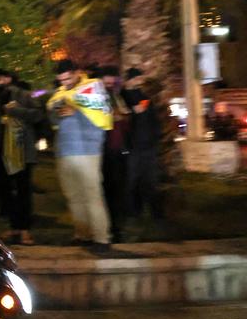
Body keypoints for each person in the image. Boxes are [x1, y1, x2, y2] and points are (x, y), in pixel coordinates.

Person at [47, 59, 113, 247]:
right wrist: (57, 111)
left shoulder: (93, 87)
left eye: (67, 78)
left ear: (77, 72)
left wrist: (75, 109)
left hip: (87, 150)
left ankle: (101, 239)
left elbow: (103, 115)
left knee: (92, 195)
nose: (64, 83)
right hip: (64, 151)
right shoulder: (59, 94)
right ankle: (83, 235)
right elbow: (53, 119)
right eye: (61, 80)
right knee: (73, 196)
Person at [0, 68, 44, 244]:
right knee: (5, 192)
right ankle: (13, 227)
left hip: (21, 151)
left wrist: (16, 111)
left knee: (23, 190)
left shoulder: (24, 95)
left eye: (1, 78)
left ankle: (25, 229)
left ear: (10, 79)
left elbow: (38, 115)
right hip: (0, 151)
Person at [120, 69, 164, 222]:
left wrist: (155, 137)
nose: (140, 81)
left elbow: (150, 117)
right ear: (130, 80)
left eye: (140, 78)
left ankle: (154, 212)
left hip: (148, 146)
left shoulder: (143, 96)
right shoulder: (122, 96)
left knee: (150, 180)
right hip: (132, 146)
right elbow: (128, 114)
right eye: (137, 78)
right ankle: (132, 211)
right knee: (131, 180)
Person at [99, 66, 131, 242]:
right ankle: (108, 227)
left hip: (117, 150)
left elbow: (125, 119)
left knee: (116, 190)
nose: (110, 84)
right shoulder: (98, 98)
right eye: (107, 81)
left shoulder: (117, 96)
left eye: (112, 81)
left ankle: (116, 227)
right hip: (103, 150)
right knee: (106, 190)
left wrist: (122, 118)